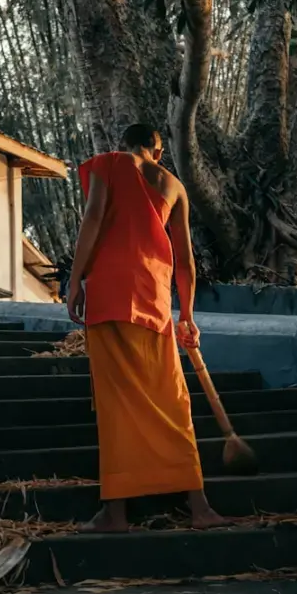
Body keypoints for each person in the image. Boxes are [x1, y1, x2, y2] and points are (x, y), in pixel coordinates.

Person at [67, 124, 224, 533]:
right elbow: (186, 260)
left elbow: (94, 217)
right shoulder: (174, 185)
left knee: (116, 403)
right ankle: (198, 505)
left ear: (126, 145)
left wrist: (73, 281)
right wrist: (187, 314)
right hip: (154, 298)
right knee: (172, 400)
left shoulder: (111, 164)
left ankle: (115, 512)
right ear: (157, 151)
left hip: (109, 293)